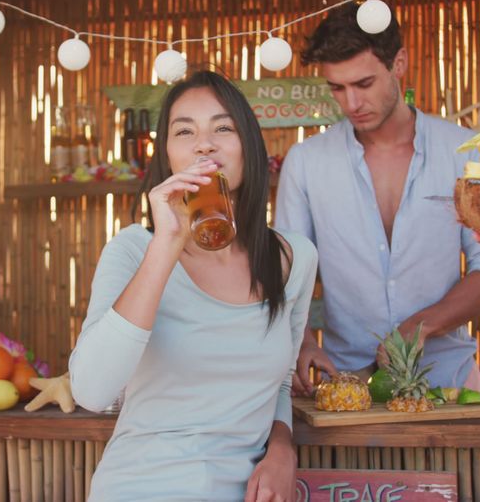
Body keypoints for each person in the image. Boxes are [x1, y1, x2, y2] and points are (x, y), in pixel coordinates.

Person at [69, 70, 318, 502]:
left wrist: (281, 448)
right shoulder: (133, 251)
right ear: (167, 156)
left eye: (224, 127)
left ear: (249, 148)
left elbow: (278, 380)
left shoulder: (293, 260)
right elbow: (91, 391)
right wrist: (167, 244)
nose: (205, 144)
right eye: (185, 131)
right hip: (138, 488)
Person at [275, 4, 480, 394]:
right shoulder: (305, 163)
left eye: (364, 84)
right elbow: (288, 274)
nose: (351, 103)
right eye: (338, 88)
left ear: (399, 63)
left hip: (450, 382)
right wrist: (302, 342)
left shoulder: (468, 152)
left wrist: (420, 327)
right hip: (347, 387)